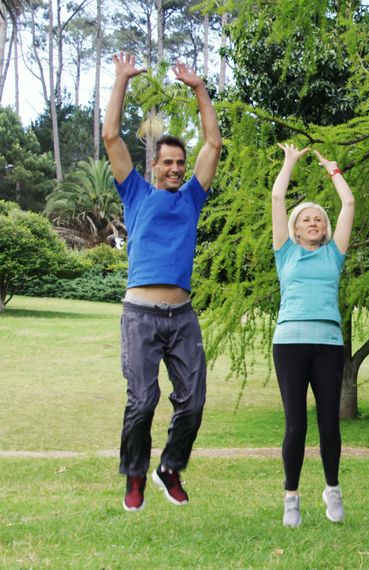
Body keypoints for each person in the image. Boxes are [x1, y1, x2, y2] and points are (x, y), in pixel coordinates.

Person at [104, 52, 222, 512]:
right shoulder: (134, 192)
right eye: (167, 162)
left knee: (192, 401)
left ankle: (169, 468)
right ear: (153, 165)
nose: (175, 168)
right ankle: (134, 474)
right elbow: (111, 135)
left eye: (180, 162)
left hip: (182, 316)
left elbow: (213, 143)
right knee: (143, 400)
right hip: (140, 315)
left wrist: (198, 88)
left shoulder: (192, 197)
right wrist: (121, 80)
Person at [270, 143, 356, 527]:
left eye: (318, 220)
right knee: (295, 425)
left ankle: (332, 490)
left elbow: (349, 206)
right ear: (294, 227)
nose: (313, 223)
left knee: (328, 423)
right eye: (305, 219)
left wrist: (334, 171)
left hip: (328, 345)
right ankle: (291, 497)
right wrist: (289, 163)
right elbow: (276, 197)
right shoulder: (284, 253)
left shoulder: (333, 253)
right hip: (289, 344)